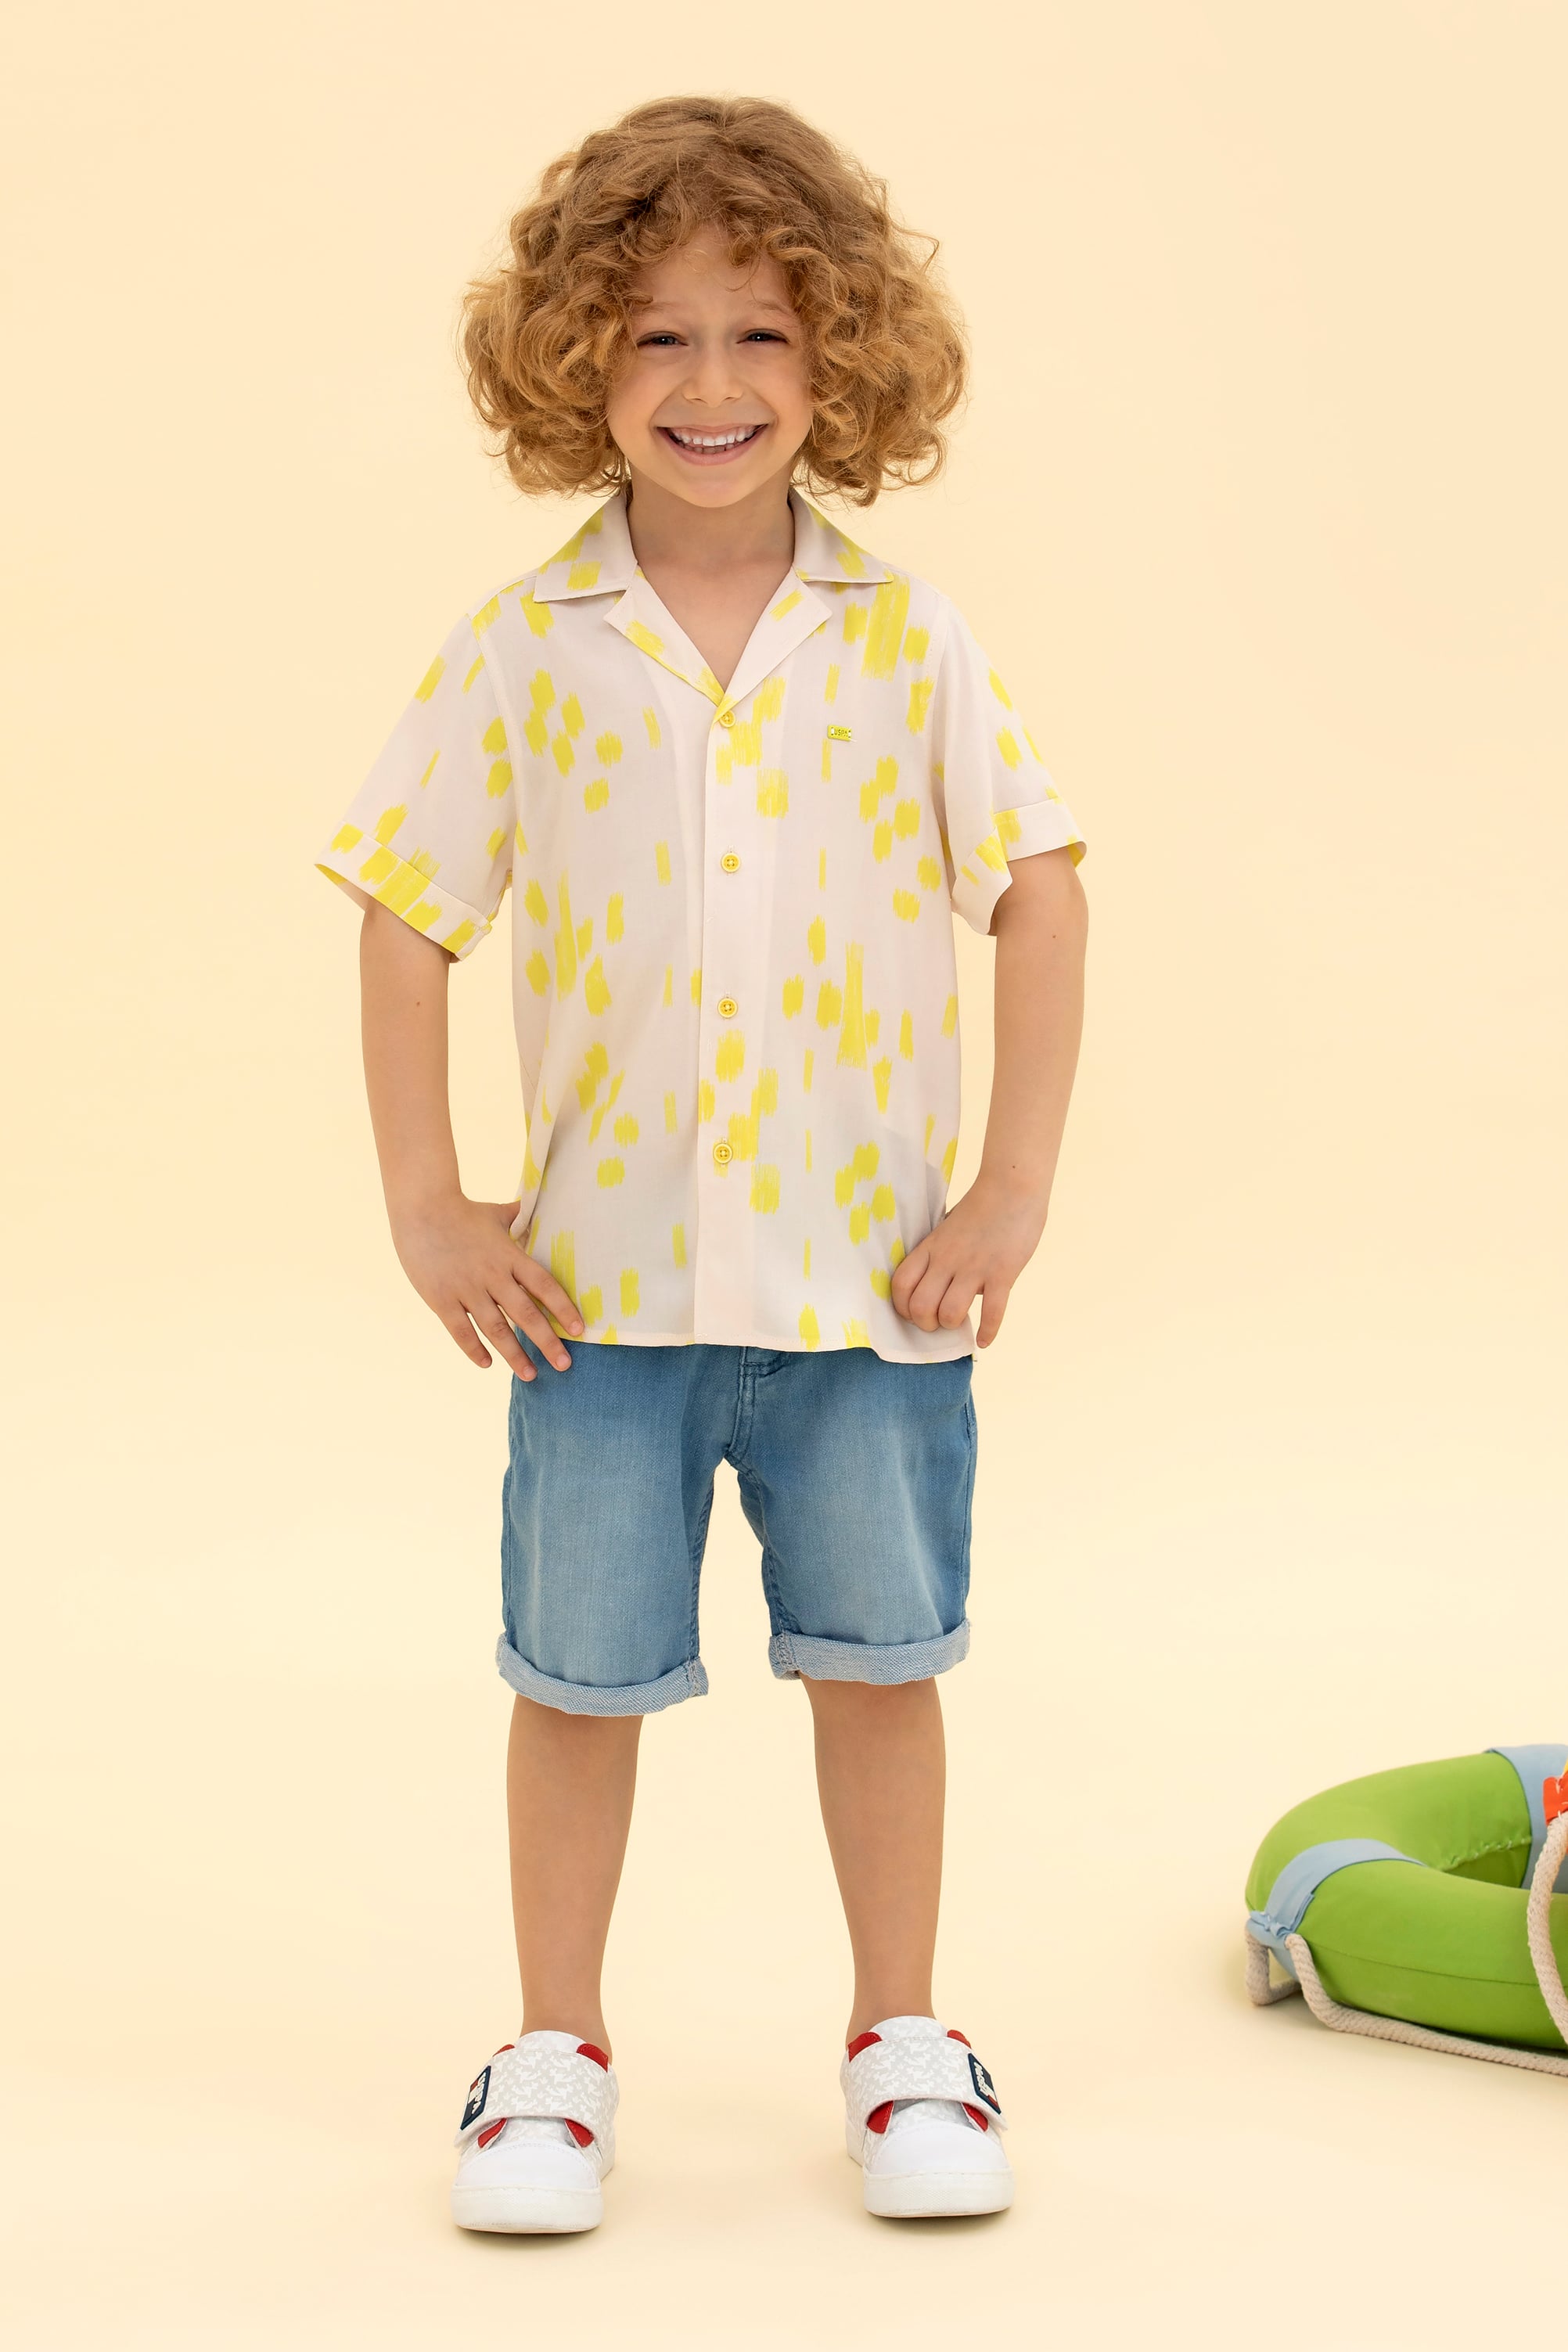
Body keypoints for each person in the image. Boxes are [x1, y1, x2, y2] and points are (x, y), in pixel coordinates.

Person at [316, 94, 1087, 2233]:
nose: (711, 382)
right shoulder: (523, 644)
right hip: (602, 1304)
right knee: (576, 1688)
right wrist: (428, 1201)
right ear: (578, 358)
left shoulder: (910, 641)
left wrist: (1011, 1188)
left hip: (870, 1297)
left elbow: (1037, 890)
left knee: (883, 1671)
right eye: (656, 335)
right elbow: (402, 910)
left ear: (840, 354)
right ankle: (549, 2054)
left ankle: (903, 2038)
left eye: (761, 331)